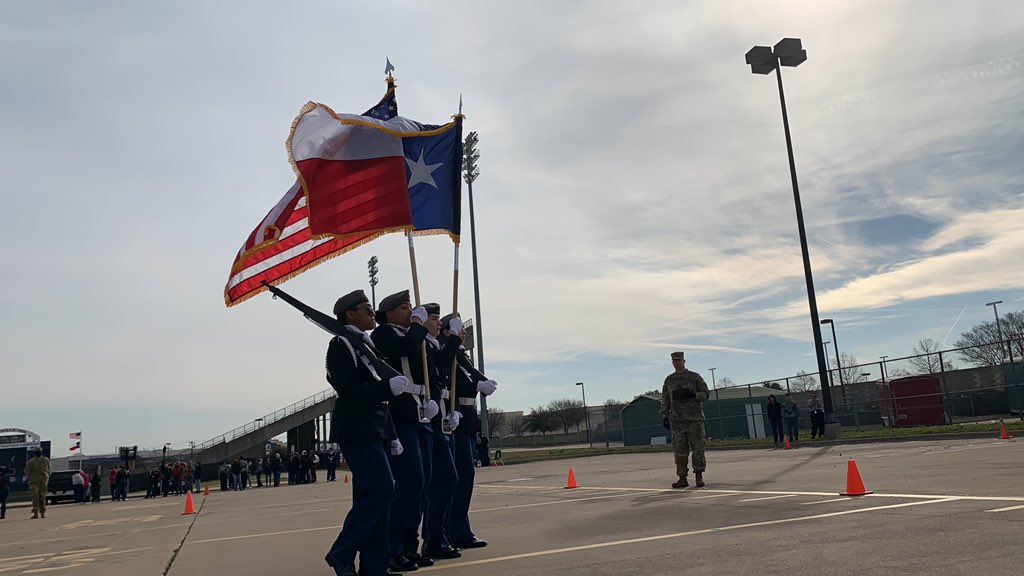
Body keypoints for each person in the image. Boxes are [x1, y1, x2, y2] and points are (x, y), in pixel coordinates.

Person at [323, 289, 406, 576]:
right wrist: (386, 387)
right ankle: (341, 552)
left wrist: (391, 434)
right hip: (357, 428)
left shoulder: (364, 343)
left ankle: (374, 567)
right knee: (383, 489)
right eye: (365, 307)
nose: (372, 312)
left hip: (377, 427)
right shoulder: (341, 345)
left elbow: (379, 398)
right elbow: (349, 392)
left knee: (376, 500)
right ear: (349, 314)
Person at [371, 291, 440, 572]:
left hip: (421, 414)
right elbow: (403, 349)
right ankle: (391, 547)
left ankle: (409, 547)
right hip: (399, 415)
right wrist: (420, 327)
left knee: (422, 486)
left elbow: (430, 371)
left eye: (410, 306)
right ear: (388, 313)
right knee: (411, 483)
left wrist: (433, 397)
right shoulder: (383, 335)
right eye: (403, 307)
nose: (409, 311)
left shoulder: (415, 335)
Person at [442, 312, 497, 551]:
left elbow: (469, 378)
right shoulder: (447, 352)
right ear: (447, 331)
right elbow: (449, 382)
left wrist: (481, 383)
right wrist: (476, 385)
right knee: (458, 480)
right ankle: (451, 531)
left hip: (466, 422)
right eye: (458, 328)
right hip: (455, 420)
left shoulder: (461, 355)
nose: (463, 332)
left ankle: (460, 530)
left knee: (465, 480)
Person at [661, 351, 710, 488]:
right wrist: (664, 415)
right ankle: (682, 478)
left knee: (698, 449)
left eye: (679, 360)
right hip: (677, 421)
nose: (676, 363)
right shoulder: (669, 380)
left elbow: (706, 394)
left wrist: (694, 395)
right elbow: (665, 399)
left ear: (684, 361)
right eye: (674, 361)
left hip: (694, 420)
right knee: (680, 452)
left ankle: (699, 476)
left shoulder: (694, 378)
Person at [25, 447, 50, 519]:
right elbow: (49, 469)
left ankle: (37, 512)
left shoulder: (31, 462)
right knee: (41, 496)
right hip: (43, 480)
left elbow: (27, 472)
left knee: (36, 497)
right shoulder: (45, 460)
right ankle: (42, 512)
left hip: (34, 481)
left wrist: (28, 478)